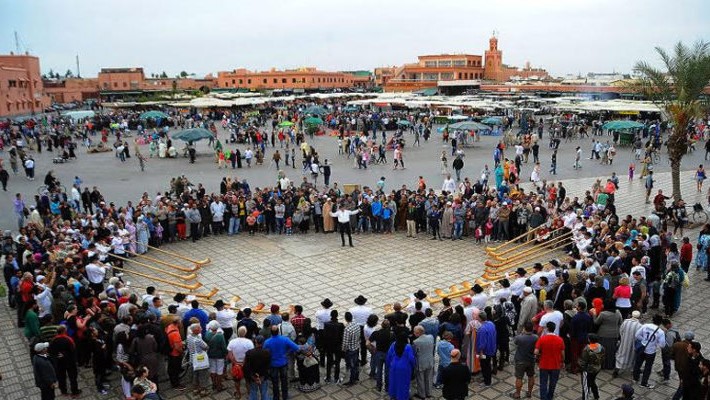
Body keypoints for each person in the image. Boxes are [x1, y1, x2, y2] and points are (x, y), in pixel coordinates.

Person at [264, 324, 300, 400]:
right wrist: (287, 352)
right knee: (284, 381)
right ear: (278, 331)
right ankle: (285, 396)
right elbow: (296, 347)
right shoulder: (285, 339)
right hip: (283, 363)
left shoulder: (267, 342)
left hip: (273, 364)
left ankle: (276, 397)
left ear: (271, 332)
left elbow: (264, 353)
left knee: (275, 382)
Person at [633, 314, 666, 389]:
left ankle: (635, 378)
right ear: (660, 323)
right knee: (648, 367)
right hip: (650, 351)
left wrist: (644, 340)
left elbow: (637, 335)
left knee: (638, 363)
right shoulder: (660, 332)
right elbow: (662, 345)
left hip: (642, 348)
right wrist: (654, 343)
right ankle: (644, 383)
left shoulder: (645, 326)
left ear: (652, 320)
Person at [535, 321, 565, 400]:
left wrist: (539, 356)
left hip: (544, 364)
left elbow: (536, 352)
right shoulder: (560, 340)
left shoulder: (542, 339)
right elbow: (562, 353)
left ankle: (543, 398)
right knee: (553, 383)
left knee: (543, 383)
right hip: (556, 365)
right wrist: (562, 361)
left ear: (547, 329)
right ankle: (549, 397)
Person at [386, 335, 416, 400]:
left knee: (394, 382)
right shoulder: (408, 347)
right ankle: (403, 397)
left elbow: (388, 356)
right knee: (404, 384)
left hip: (394, 367)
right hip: (405, 368)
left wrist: (389, 365)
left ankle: (393, 395)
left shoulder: (393, 345)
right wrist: (414, 365)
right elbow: (411, 358)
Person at [614, 310, 643, 378]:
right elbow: (639, 337)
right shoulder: (639, 325)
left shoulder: (626, 321)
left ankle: (616, 370)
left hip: (624, 342)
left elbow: (621, 331)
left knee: (621, 355)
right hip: (632, 345)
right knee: (632, 357)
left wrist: (623, 337)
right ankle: (633, 370)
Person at [243, 335, 271, 400]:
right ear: (263, 342)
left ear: (255, 342)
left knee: (253, 393)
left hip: (253, 377)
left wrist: (252, 377)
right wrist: (262, 377)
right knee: (265, 393)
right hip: (263, 377)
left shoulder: (249, 353)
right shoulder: (267, 352)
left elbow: (246, 367)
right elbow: (268, 366)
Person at [579, 333, 605, 400]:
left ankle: (585, 398)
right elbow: (603, 358)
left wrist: (582, 368)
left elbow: (583, 361)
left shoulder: (587, 349)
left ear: (589, 340)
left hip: (588, 369)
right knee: (592, 381)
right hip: (597, 368)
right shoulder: (601, 347)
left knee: (585, 385)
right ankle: (596, 395)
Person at [412, 325, 435, 398]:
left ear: (418, 333)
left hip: (421, 363)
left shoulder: (416, 342)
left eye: (414, 332)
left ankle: (422, 394)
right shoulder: (431, 337)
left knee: (420, 379)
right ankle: (429, 393)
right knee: (428, 378)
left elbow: (414, 353)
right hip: (430, 361)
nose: (413, 333)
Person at [341, 311, 361, 386]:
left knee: (352, 365)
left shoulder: (347, 329)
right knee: (356, 364)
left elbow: (345, 342)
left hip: (350, 350)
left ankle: (352, 381)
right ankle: (356, 377)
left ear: (346, 319)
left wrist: (343, 350)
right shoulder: (357, 325)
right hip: (356, 347)